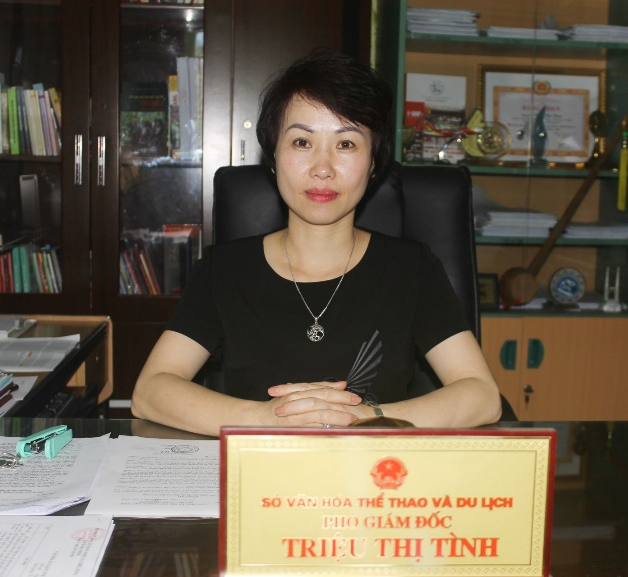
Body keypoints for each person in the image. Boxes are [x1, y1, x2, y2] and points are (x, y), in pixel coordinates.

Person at [132, 48, 501, 436]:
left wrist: (365, 418)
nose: (322, 169)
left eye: (346, 144)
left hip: (374, 467)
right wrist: (265, 418)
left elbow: (482, 396)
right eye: (302, 142)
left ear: (374, 163)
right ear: (273, 156)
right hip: (259, 465)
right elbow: (150, 391)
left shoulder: (412, 269)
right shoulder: (224, 270)